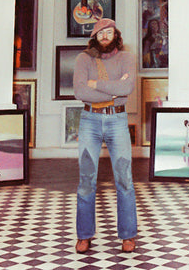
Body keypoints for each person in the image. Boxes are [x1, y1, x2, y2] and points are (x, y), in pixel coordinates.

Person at [72, 18, 137, 254]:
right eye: (101, 33)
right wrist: (112, 88)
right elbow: (80, 91)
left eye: (109, 32)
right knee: (86, 179)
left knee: (124, 179)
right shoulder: (83, 59)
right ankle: (84, 236)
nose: (105, 36)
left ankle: (128, 235)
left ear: (116, 35)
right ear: (95, 37)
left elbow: (126, 89)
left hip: (118, 120)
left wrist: (95, 84)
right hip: (89, 120)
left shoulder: (127, 58)